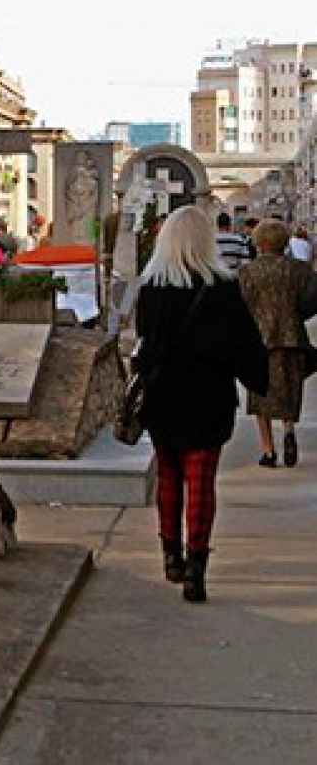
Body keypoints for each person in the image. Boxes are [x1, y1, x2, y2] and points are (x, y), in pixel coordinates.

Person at [135, 205, 268, 604]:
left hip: (162, 396)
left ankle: (170, 555)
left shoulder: (151, 289)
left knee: (169, 477)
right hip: (208, 397)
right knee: (201, 483)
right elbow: (245, 345)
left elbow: (145, 340)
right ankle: (196, 568)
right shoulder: (223, 289)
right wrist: (259, 380)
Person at [238, 219, 317, 469]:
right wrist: (298, 315)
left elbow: (242, 306)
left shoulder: (248, 271)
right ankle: (289, 428)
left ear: (259, 243)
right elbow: (313, 299)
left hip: (259, 340)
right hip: (292, 338)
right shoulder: (300, 270)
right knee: (289, 390)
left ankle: (268, 451)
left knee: (260, 394)